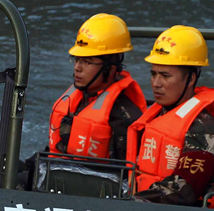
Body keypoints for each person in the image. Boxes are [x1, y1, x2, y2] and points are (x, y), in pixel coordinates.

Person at [127, 25, 214, 207]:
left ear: (191, 78)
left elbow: (183, 190)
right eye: (153, 74)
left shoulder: (207, 131)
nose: (156, 83)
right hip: (140, 207)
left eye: (165, 76)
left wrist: (128, 203)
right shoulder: (155, 116)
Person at [48, 13, 146, 161]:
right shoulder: (79, 97)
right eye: (77, 60)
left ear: (110, 69)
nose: (77, 68)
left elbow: (127, 174)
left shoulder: (123, 116)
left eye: (87, 62)